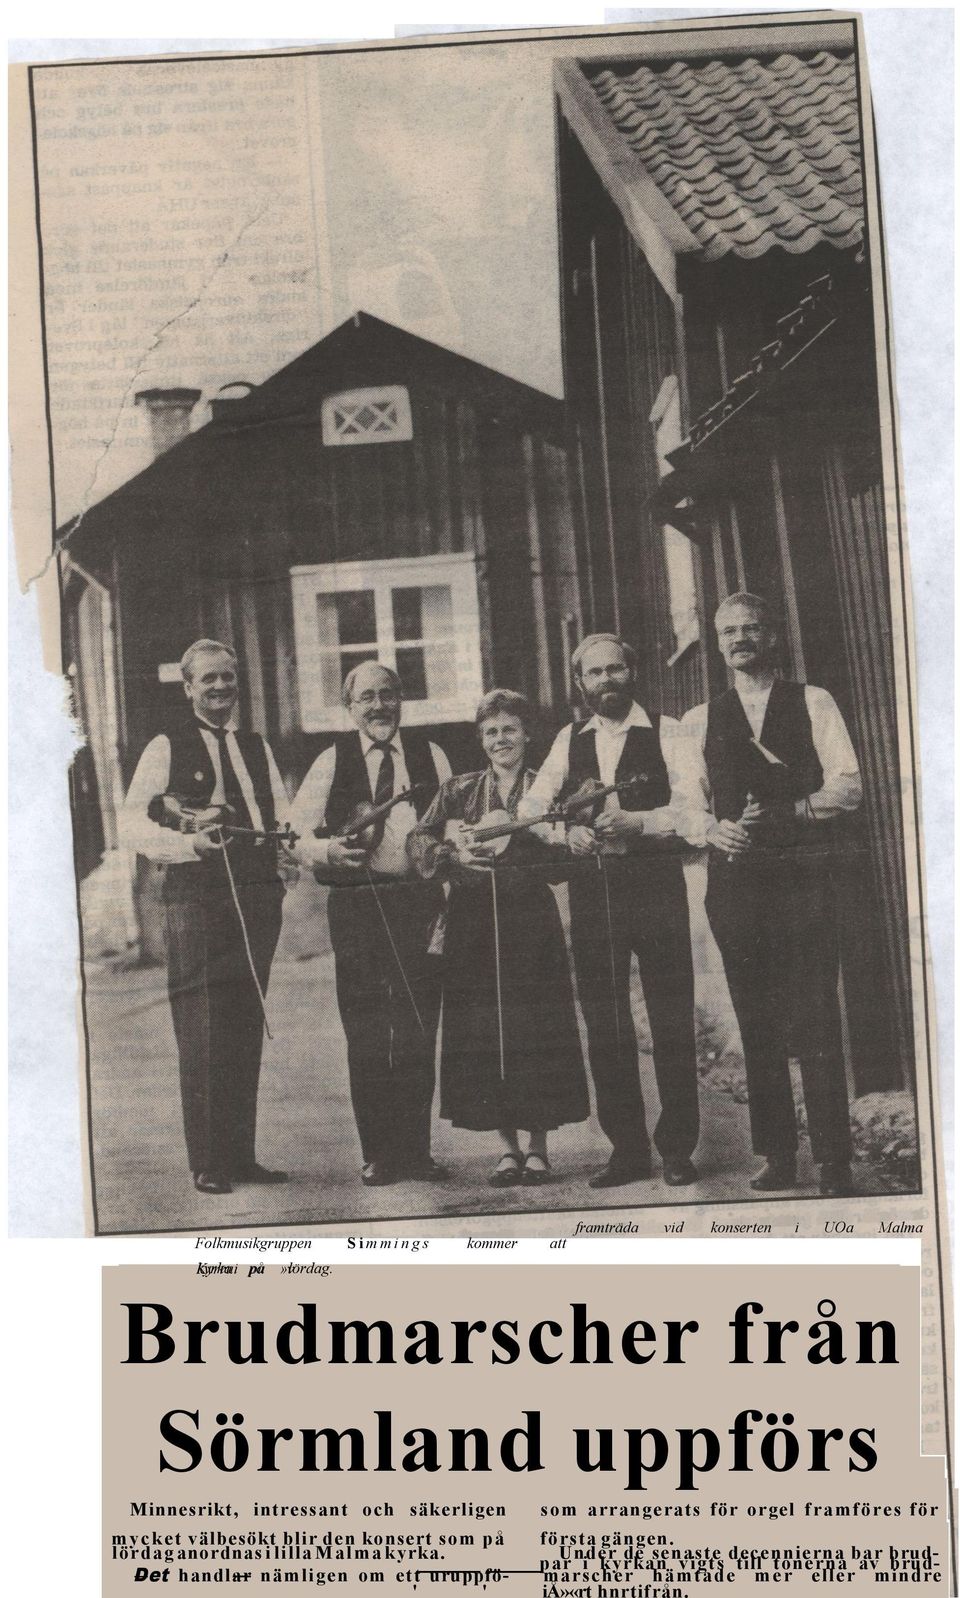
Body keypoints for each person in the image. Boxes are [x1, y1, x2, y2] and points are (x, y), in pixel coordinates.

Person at [677, 593, 863, 1198]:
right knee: (756, 1021)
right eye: (729, 631)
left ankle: (835, 1160)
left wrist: (797, 810)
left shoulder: (813, 702)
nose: (740, 639)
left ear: (773, 636)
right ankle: (777, 1154)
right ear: (717, 643)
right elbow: (686, 804)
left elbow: (850, 785)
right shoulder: (699, 719)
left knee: (814, 1015)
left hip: (805, 878)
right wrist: (712, 827)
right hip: (736, 884)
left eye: (752, 628)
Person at [525, 635, 699, 1190]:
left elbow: (696, 809)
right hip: (593, 894)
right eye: (594, 673)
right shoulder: (568, 738)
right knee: (605, 1021)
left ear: (633, 672)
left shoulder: (669, 732)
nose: (606, 681)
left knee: (672, 1016)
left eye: (615, 669)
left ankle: (677, 1149)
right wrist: (564, 830)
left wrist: (640, 823)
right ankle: (626, 1150)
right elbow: (532, 807)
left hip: (656, 890)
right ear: (581, 684)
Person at [119, 639, 290, 1195]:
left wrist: (287, 852)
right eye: (209, 679)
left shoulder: (257, 746)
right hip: (196, 898)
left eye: (228, 679)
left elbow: (279, 817)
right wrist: (190, 845)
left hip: (258, 896)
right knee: (203, 1027)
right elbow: (132, 827)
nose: (220, 688)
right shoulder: (166, 745)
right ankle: (208, 1161)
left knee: (244, 1022)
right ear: (189, 687)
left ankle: (241, 1155)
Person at [408, 690, 589, 1187]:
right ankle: (505, 1148)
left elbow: (569, 857)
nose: (501, 739)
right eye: (491, 731)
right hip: (471, 924)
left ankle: (538, 1147)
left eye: (510, 728)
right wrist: (453, 854)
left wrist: (542, 841)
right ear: (480, 740)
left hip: (531, 922)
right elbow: (418, 841)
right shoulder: (459, 790)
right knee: (484, 1032)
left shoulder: (550, 789)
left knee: (536, 1027)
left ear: (527, 734)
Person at [290, 662, 451, 1187]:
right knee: (366, 1029)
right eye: (366, 698)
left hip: (419, 904)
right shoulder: (330, 760)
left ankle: (416, 1151)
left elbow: (455, 821)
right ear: (350, 706)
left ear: (401, 699)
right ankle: (379, 1152)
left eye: (387, 695)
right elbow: (292, 835)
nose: (378, 706)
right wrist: (329, 850)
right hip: (358, 909)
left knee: (417, 1026)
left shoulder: (432, 756)